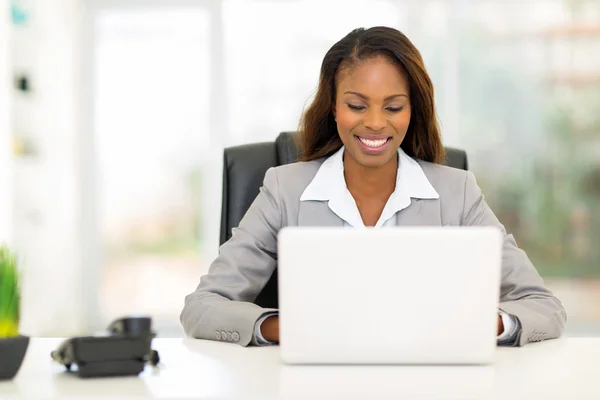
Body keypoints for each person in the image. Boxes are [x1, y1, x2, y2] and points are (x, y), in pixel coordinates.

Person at [181, 26, 566, 347]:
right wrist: (285, 329)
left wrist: (487, 325)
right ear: (332, 106)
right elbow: (202, 307)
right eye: (357, 105)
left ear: (412, 110)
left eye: (393, 107)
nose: (376, 123)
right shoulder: (285, 189)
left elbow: (543, 307)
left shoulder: (457, 192)